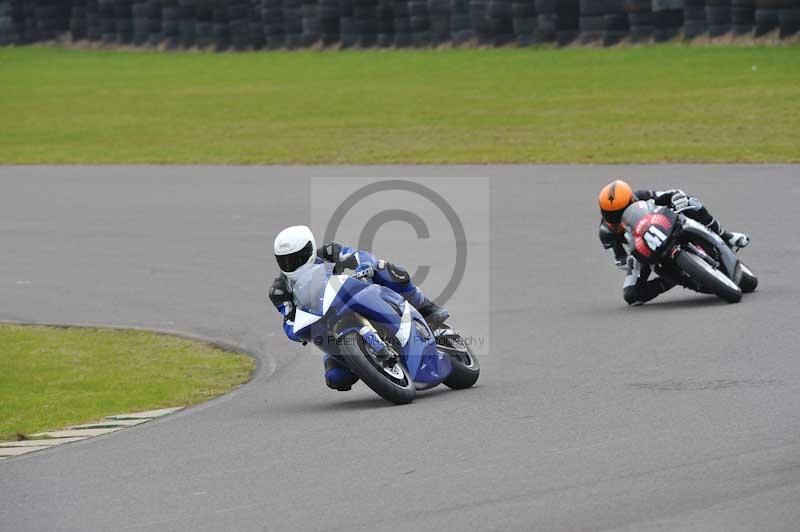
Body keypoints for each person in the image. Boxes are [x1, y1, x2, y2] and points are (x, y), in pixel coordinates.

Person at [268, 225, 449, 391]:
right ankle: (367, 364)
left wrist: (365, 266)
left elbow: (357, 255)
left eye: (297, 257)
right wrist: (297, 332)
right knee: (336, 379)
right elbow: (288, 320)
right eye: (285, 260)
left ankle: (426, 307)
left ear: (310, 249)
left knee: (384, 268)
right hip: (328, 327)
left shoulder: (329, 252)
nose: (292, 263)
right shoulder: (279, 290)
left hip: (352, 295)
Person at [598, 180, 750, 305]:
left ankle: (726, 236)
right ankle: (670, 280)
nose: (616, 218)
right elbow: (619, 259)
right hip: (643, 251)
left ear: (632, 199)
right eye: (610, 214)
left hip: (665, 224)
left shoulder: (641, 196)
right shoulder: (606, 232)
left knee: (691, 203)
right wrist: (629, 260)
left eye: (620, 212)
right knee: (632, 295)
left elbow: (668, 194)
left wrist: (676, 197)